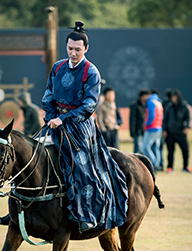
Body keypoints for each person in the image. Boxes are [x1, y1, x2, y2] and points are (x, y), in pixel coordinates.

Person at [40, 21, 128, 233]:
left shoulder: (92, 72)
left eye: (78, 49)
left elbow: (89, 106)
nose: (73, 53)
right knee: (31, 154)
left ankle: (86, 214)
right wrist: (52, 116)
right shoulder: (57, 67)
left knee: (81, 168)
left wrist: (64, 119)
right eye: (70, 48)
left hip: (81, 129)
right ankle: (19, 210)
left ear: (86, 49)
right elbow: (48, 94)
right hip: (54, 122)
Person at [162, 88, 192, 174]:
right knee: (170, 151)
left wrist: (187, 127)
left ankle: (186, 166)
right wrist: (164, 130)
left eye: (175, 97)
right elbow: (165, 119)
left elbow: (189, 117)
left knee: (185, 150)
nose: (173, 99)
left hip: (180, 132)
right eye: (172, 97)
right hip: (170, 132)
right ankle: (170, 167)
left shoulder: (184, 106)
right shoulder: (169, 107)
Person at [141, 89, 164, 171]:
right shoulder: (157, 101)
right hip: (159, 127)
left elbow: (151, 116)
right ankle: (157, 164)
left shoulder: (150, 101)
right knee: (155, 148)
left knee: (144, 147)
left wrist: (146, 124)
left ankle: (153, 165)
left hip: (151, 128)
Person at [129, 88, 150, 153]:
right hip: (137, 130)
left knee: (144, 149)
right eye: (146, 96)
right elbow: (132, 119)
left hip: (145, 130)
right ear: (142, 96)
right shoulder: (135, 105)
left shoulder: (147, 105)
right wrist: (132, 131)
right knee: (137, 149)